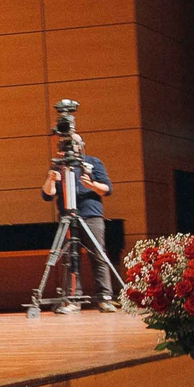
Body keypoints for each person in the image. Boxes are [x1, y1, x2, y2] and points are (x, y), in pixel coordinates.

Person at [39, 125, 115, 302]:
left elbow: (107, 189)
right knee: (70, 258)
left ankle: (105, 297)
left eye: (72, 144)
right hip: (67, 218)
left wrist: (92, 186)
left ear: (80, 146)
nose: (68, 147)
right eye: (65, 144)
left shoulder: (93, 163)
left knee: (98, 256)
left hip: (91, 217)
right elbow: (46, 195)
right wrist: (51, 179)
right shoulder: (57, 167)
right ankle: (73, 298)